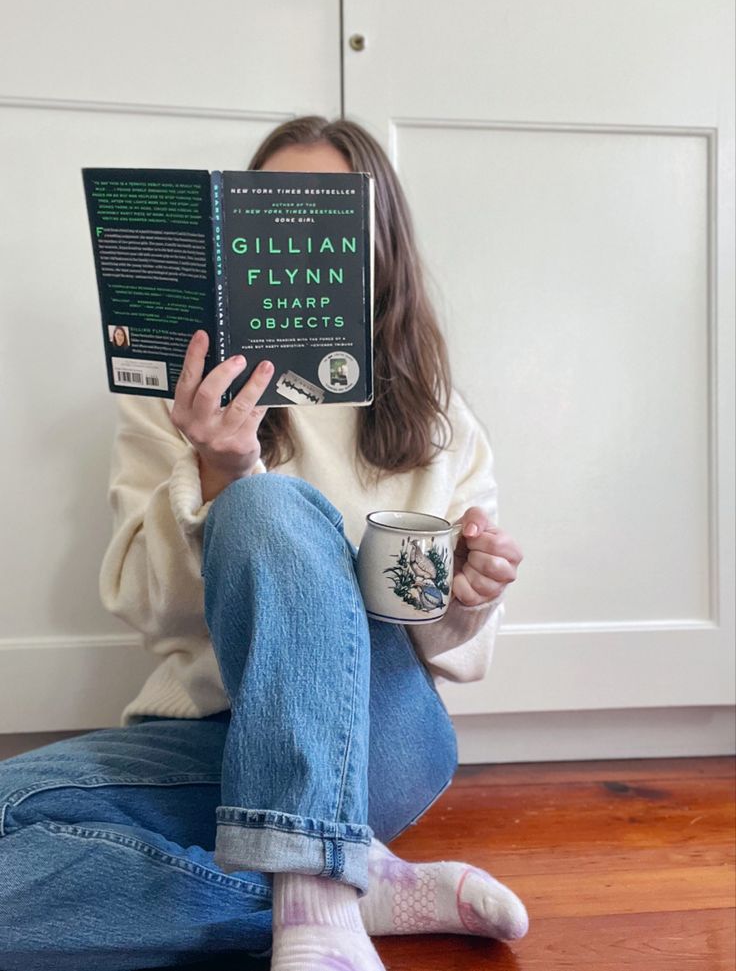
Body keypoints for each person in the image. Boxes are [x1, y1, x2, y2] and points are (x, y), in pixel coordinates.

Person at [0, 116, 528, 971]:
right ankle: (344, 886)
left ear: (375, 247)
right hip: (212, 731)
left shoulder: (439, 419)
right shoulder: (173, 394)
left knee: (270, 505)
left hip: (374, 733)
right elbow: (152, 607)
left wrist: (471, 594)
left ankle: (317, 886)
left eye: (328, 213)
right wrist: (212, 468)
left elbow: (451, 651)